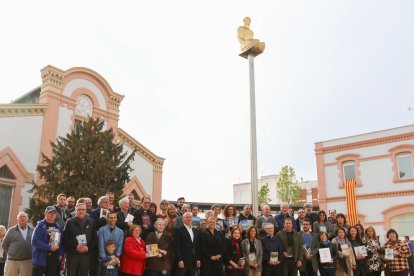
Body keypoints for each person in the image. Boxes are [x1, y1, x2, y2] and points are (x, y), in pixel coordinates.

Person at [62, 203, 98, 276]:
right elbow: (65, 238)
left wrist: (87, 248)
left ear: (86, 211)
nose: (81, 211)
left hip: (86, 255)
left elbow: (95, 239)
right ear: (75, 211)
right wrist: (75, 247)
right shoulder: (69, 222)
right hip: (72, 255)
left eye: (83, 209)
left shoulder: (91, 222)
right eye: (79, 210)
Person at [31, 206, 64, 276]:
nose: (52, 214)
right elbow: (34, 241)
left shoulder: (58, 227)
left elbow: (61, 242)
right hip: (41, 258)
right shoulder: (40, 226)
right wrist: (49, 247)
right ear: (45, 214)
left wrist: (61, 254)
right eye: (50, 213)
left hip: (54, 259)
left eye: (54, 213)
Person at [2, 212, 33, 276]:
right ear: (17, 219)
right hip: (12, 260)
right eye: (20, 217)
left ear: (27, 219)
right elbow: (4, 244)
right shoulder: (11, 230)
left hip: (27, 260)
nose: (22, 218)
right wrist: (11, 252)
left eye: (24, 216)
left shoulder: (32, 230)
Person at [173, 211, 201, 276]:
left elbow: (197, 246)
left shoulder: (195, 230)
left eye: (190, 217)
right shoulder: (178, 230)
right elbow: (177, 246)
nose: (189, 219)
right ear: (183, 219)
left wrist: (198, 259)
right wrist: (179, 260)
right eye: (187, 217)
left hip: (193, 261)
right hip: (182, 261)